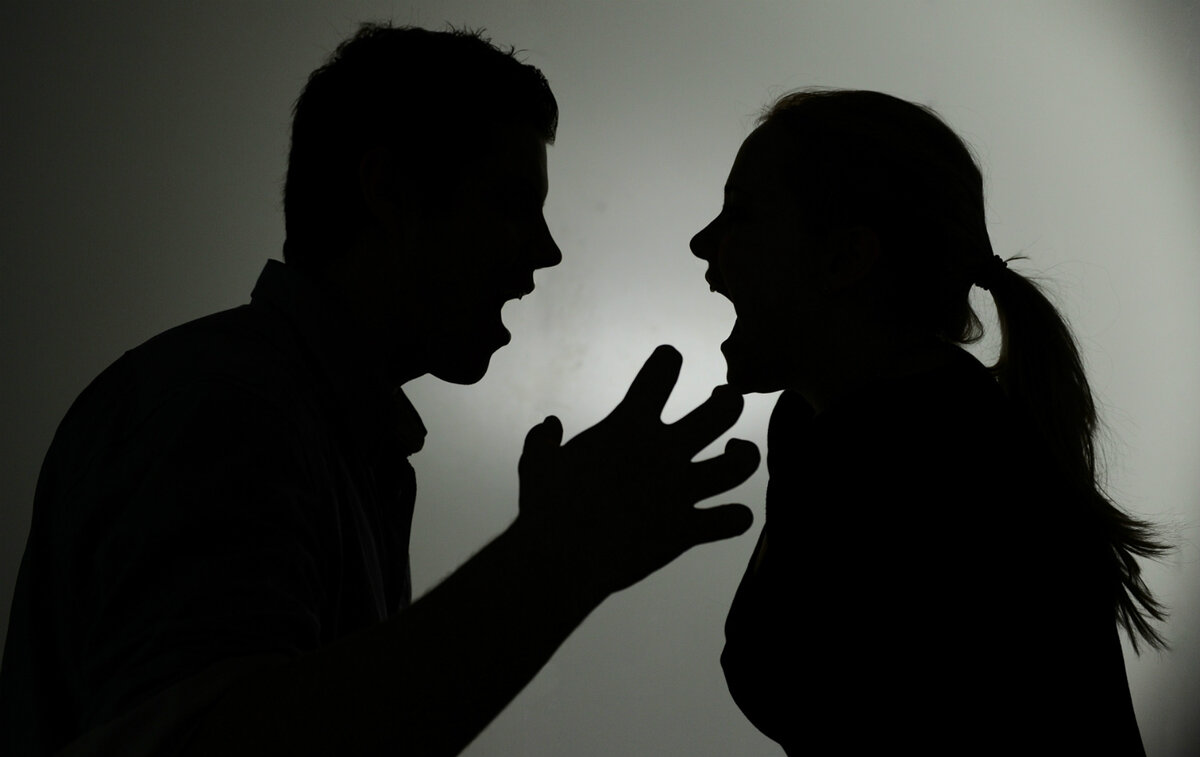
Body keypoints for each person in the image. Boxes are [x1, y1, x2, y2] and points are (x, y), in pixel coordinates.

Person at [0, 24, 761, 756]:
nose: (546, 250)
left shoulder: (331, 438)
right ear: (390, 192)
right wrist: (558, 558)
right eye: (510, 203)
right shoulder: (221, 407)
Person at [692, 89, 1169, 755]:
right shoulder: (816, 426)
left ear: (845, 259)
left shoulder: (934, 467)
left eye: (740, 214)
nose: (702, 243)